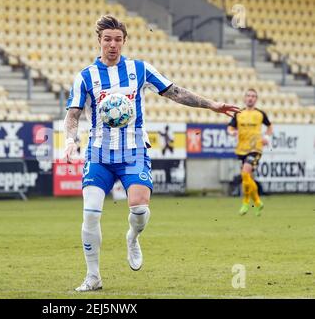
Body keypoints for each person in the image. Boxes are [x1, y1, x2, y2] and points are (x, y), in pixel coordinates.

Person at [64, 15, 240, 292]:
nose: (112, 44)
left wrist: (212, 105)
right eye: (107, 39)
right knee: (90, 215)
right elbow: (73, 114)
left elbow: (175, 92)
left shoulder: (140, 69)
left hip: (134, 151)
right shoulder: (85, 76)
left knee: (139, 208)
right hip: (98, 154)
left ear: (124, 41)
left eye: (118, 39)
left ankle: (132, 238)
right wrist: (70, 140)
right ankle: (93, 276)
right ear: (99, 40)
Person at [227, 88, 272, 216]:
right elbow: (230, 127)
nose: (250, 98)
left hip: (255, 148)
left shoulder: (260, 114)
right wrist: (232, 132)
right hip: (241, 149)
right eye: (248, 96)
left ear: (256, 99)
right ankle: (257, 203)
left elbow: (270, 126)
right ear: (244, 98)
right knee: (247, 178)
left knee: (245, 173)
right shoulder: (238, 113)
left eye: (253, 96)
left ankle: (247, 203)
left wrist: (266, 137)